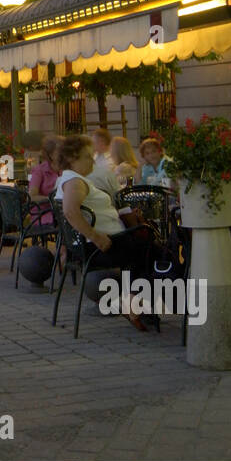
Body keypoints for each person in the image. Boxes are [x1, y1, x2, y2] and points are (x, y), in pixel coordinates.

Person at [55, 134, 157, 331]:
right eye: (87, 156)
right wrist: (97, 237)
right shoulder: (74, 181)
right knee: (150, 249)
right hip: (97, 247)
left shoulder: (71, 179)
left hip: (97, 243)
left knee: (147, 245)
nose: (92, 160)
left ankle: (136, 303)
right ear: (72, 159)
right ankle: (135, 305)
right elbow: (70, 211)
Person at [28, 135, 60, 200]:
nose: (65, 155)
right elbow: (31, 197)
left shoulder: (68, 169)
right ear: (51, 155)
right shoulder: (40, 170)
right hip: (44, 209)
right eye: (60, 152)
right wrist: (52, 200)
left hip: (63, 208)